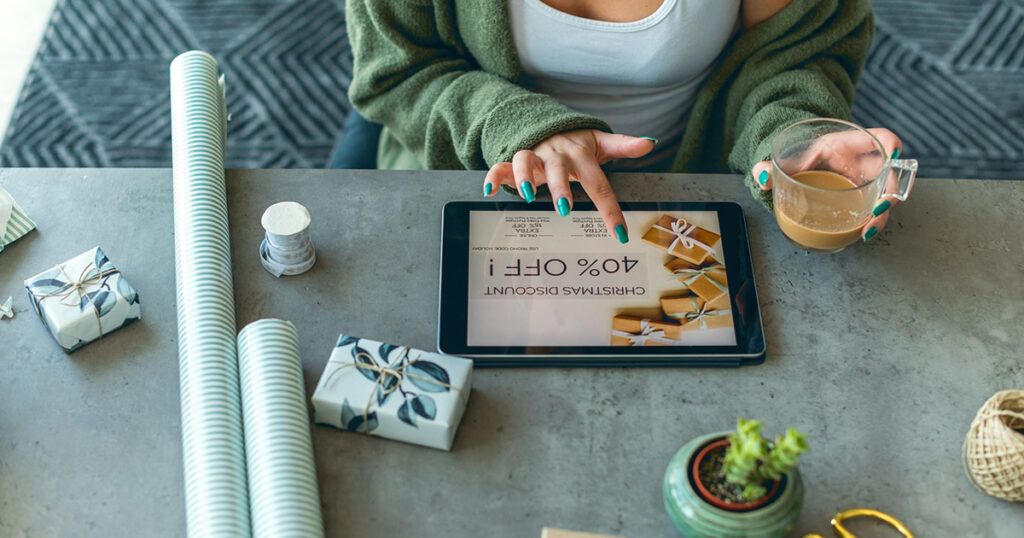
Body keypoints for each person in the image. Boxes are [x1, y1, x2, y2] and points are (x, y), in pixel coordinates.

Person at [336, 0, 902, 243]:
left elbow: (793, 55)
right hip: (476, 172)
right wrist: (519, 124)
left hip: (687, 186)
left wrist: (792, 134)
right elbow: (401, 71)